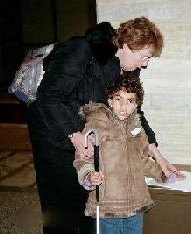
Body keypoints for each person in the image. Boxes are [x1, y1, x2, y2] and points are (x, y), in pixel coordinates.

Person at [27, 17, 181, 233]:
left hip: (89, 138)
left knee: (91, 205)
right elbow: (49, 96)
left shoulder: (128, 69)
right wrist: (74, 135)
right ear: (127, 46)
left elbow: (134, 113)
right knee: (61, 212)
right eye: (144, 57)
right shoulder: (82, 50)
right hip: (55, 138)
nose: (145, 64)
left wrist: (157, 155)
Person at [74, 72, 183, 234]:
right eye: (118, 99)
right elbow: (82, 159)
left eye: (130, 101)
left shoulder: (137, 130)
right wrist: (89, 176)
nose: (123, 106)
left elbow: (143, 161)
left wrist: (163, 174)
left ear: (136, 104)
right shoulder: (96, 126)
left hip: (135, 205)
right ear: (110, 100)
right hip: (108, 207)